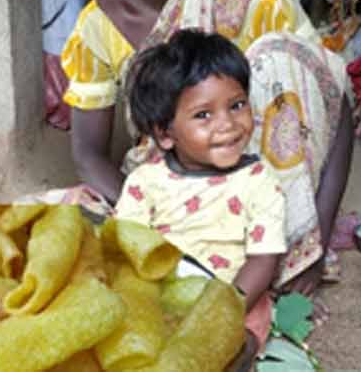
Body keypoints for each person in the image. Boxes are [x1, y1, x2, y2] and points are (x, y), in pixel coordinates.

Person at [59, 0, 353, 294]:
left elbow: (335, 104)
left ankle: (284, 256)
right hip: (167, 190)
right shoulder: (97, 26)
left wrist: (317, 235)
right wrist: (151, 221)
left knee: (279, 56)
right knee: (53, 222)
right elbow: (88, 154)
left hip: (258, 192)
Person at [114, 29, 286, 347]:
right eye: (203, 115)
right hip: (161, 296)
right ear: (165, 134)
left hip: (233, 297)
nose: (227, 124)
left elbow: (263, 260)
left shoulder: (259, 181)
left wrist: (222, 312)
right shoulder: (145, 183)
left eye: (237, 105)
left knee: (254, 322)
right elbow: (129, 251)